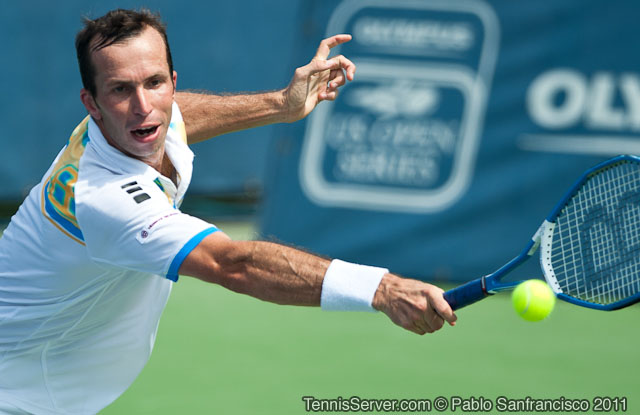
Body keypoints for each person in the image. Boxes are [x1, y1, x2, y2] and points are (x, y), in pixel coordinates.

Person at [0, 9, 456, 414]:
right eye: (121, 90)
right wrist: (380, 288)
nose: (143, 106)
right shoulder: (108, 199)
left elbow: (180, 115)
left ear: (172, 81)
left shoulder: (126, 124)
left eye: (154, 82)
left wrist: (280, 104)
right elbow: (233, 265)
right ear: (92, 104)